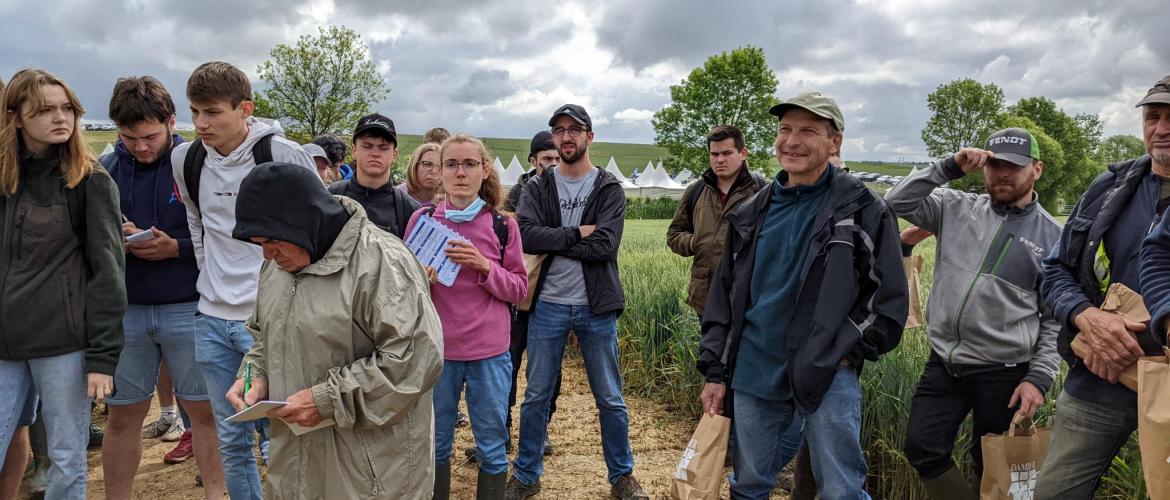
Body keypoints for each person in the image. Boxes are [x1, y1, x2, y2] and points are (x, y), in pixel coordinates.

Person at [698, 92, 907, 500]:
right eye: (785, 129)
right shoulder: (750, 214)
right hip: (755, 369)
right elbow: (724, 300)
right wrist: (715, 372)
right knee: (750, 483)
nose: (791, 141)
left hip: (827, 371)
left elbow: (889, 300)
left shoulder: (861, 209)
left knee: (841, 488)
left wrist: (846, 349)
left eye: (807, 131)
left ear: (835, 143)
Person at [225, 162, 444, 499]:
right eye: (259, 244)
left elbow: (414, 360)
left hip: (370, 471)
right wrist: (254, 375)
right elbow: (267, 338)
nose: (267, 254)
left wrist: (328, 399)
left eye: (272, 240)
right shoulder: (279, 264)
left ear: (305, 222)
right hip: (295, 461)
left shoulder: (383, 263)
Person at [885, 128, 1062, 499]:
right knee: (922, 449)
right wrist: (949, 167)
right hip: (945, 362)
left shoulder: (1053, 237)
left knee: (993, 468)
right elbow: (895, 201)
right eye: (995, 164)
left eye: (1014, 166)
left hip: (1006, 374)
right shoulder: (955, 206)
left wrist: (1039, 379)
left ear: (1037, 170)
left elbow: (1054, 320)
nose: (1002, 173)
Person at [171, 61, 314, 500]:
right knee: (229, 438)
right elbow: (198, 226)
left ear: (244, 108)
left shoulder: (283, 154)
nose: (200, 123)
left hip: (273, 320)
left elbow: (320, 230)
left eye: (212, 112)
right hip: (211, 317)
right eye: (194, 111)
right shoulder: (186, 159)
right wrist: (209, 281)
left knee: (283, 436)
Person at [1036, 75, 1170, 499]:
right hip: (1101, 372)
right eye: (1153, 116)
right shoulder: (1109, 188)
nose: (1162, 128)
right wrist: (1087, 318)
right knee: (1054, 493)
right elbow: (1053, 271)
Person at [508, 104, 649, 500]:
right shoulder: (538, 186)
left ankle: (622, 476)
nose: (566, 137)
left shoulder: (607, 188)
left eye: (574, 130)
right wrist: (577, 234)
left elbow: (605, 246)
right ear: (552, 138)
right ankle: (526, 474)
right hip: (547, 304)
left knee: (610, 397)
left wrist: (556, 234)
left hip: (596, 305)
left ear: (590, 136)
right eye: (558, 131)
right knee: (536, 394)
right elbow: (527, 237)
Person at [0, 68, 127, 499]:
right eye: (46, 110)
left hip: (64, 343)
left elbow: (108, 271)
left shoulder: (90, 181)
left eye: (67, 108)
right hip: (3, 345)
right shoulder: (3, 180)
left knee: (67, 458)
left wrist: (102, 358)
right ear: (16, 116)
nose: (61, 118)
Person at [98, 75, 226, 500]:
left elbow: (226, 235)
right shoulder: (108, 168)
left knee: (205, 414)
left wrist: (177, 248)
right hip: (128, 308)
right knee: (122, 417)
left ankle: (216, 493)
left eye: (150, 136)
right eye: (129, 137)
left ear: (171, 121)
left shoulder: (198, 162)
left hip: (188, 305)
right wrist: (114, 238)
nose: (140, 146)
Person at [405, 134, 527, 500]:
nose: (461, 172)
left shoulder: (503, 226)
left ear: (484, 170)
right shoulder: (421, 220)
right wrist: (419, 281)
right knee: (436, 443)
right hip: (437, 351)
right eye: (452, 164)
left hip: (489, 354)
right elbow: (400, 289)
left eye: (469, 164)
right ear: (439, 172)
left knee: (491, 445)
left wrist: (484, 266)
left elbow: (520, 290)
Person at [500, 131, 561, 456]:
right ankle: (503, 428)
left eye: (556, 158)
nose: (552, 164)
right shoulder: (515, 196)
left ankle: (540, 430)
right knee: (507, 362)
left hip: (551, 295)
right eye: (546, 159)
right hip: (516, 297)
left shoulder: (564, 193)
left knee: (549, 368)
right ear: (533, 160)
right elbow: (514, 239)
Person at [328, 114, 419, 238]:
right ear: (354, 150)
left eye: (383, 148)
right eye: (367, 146)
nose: (375, 153)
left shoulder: (409, 210)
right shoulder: (330, 196)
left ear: (394, 154)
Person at [503, 131, 558, 212]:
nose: (554, 164)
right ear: (533, 161)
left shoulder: (570, 190)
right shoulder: (518, 192)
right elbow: (506, 222)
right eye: (547, 159)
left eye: (558, 159)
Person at [398, 142, 443, 209]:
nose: (434, 171)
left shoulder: (448, 201)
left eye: (440, 166)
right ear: (415, 166)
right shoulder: (398, 196)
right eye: (428, 164)